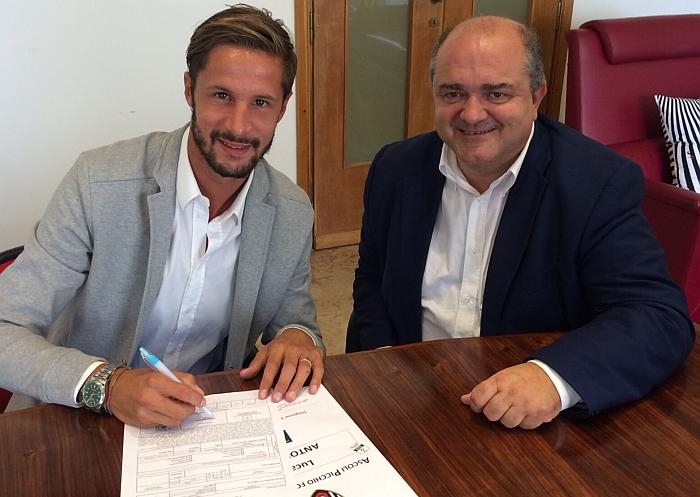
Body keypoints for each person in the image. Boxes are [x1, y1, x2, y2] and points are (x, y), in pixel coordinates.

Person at [350, 16, 694, 429]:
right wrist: (379, 363)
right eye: (453, 92)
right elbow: (372, 278)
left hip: (530, 421)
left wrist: (553, 377)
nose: (471, 113)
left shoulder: (596, 182)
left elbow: (657, 315)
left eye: (496, 93)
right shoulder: (394, 168)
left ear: (536, 96)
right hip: (412, 402)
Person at [0, 5, 325, 427]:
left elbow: (296, 323)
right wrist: (108, 385)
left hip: (199, 424)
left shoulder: (291, 212)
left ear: (282, 108)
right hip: (79, 419)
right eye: (222, 96)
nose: (239, 126)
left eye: (261, 102)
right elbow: (5, 326)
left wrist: (298, 338)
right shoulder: (98, 182)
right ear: (190, 89)